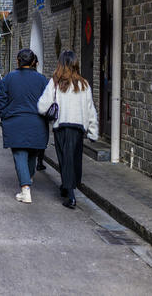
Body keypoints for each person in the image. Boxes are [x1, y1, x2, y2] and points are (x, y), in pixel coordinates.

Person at [37, 50, 98, 209]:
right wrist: (93, 131)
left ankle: (71, 195)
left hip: (61, 126)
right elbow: (90, 109)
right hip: (78, 127)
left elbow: (42, 106)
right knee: (74, 159)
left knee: (65, 159)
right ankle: (67, 187)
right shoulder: (84, 84)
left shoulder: (55, 82)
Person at [0, 49, 48, 203]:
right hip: (37, 122)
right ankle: (27, 181)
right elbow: (49, 100)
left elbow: (0, 99)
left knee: (19, 154)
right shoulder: (42, 79)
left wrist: (5, 115)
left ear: (18, 61)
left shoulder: (9, 78)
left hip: (15, 121)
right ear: (33, 62)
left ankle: (25, 190)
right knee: (32, 153)